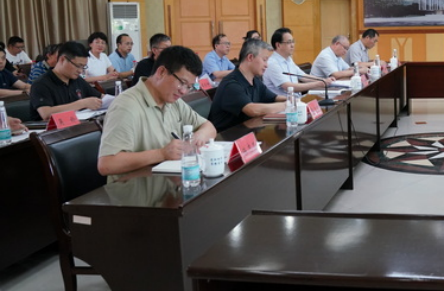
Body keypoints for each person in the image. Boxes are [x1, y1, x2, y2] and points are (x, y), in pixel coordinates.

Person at [97, 46, 217, 181]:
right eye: (182, 83)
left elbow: (209, 127)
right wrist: (161, 154)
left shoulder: (174, 101)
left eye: (189, 87)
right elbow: (107, 164)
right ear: (161, 72)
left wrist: (197, 137)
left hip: (166, 183)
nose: (184, 91)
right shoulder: (126, 106)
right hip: (133, 189)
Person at [208, 40, 287, 132]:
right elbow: (253, 110)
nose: (266, 65)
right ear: (250, 57)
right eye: (264, 60)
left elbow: (275, 98)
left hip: (246, 132)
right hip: (225, 137)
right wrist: (286, 105)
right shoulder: (231, 84)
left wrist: (293, 100)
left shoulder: (255, 80)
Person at [29, 41, 102, 120]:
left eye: (83, 67)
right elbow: (46, 114)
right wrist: (82, 103)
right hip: (49, 127)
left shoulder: (77, 80)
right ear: (62, 59)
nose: (80, 71)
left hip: (79, 125)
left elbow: (101, 97)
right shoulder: (41, 84)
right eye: (78, 66)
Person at [263, 28, 335, 95]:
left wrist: (324, 80)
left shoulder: (289, 60)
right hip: (283, 102)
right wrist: (318, 84)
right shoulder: (272, 64)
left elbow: (303, 76)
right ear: (278, 45)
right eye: (289, 42)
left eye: (293, 42)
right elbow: (288, 87)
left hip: (296, 99)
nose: (292, 45)